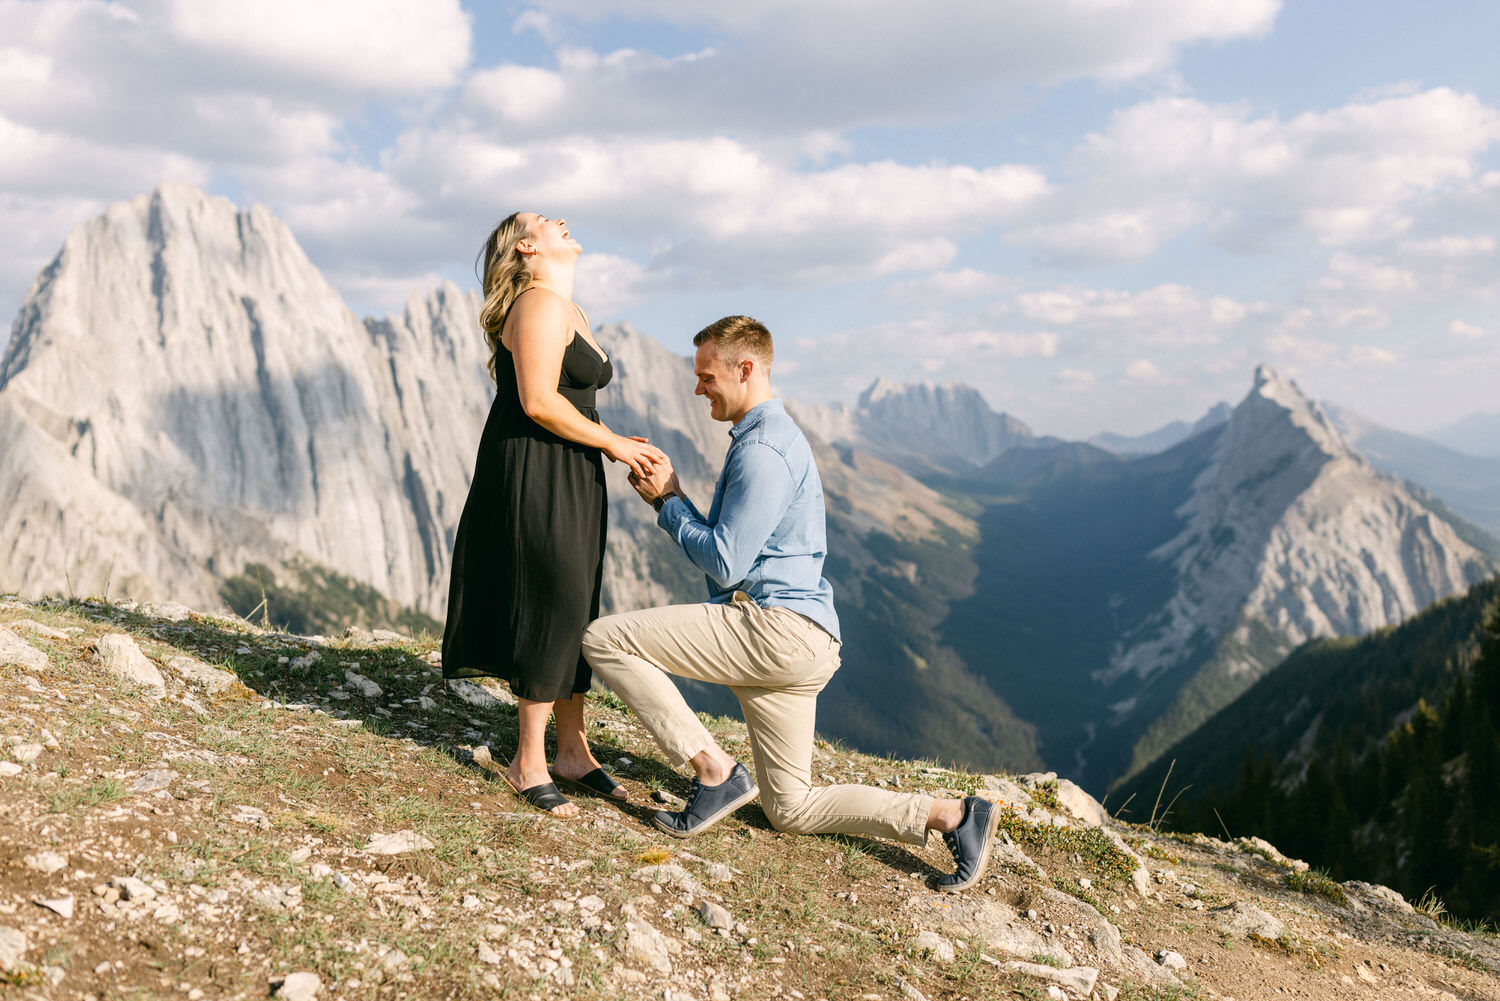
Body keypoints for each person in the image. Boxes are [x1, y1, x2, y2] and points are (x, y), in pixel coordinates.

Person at [581, 316, 998, 891]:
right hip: (803, 639)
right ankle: (952, 815)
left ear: (745, 369)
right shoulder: (771, 441)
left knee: (604, 638)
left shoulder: (763, 451)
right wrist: (673, 499)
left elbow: (725, 563)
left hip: (771, 630)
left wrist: (668, 505)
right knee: (791, 808)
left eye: (706, 376)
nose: (698, 388)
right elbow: (740, 551)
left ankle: (713, 772)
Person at [443, 213, 665, 817]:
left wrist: (605, 444)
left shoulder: (569, 308)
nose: (560, 221)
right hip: (537, 465)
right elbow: (539, 402)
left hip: (570, 465)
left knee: (576, 598)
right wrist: (615, 442)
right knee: (552, 597)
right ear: (526, 247)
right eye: (544, 220)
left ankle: (573, 750)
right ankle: (529, 762)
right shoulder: (537, 304)